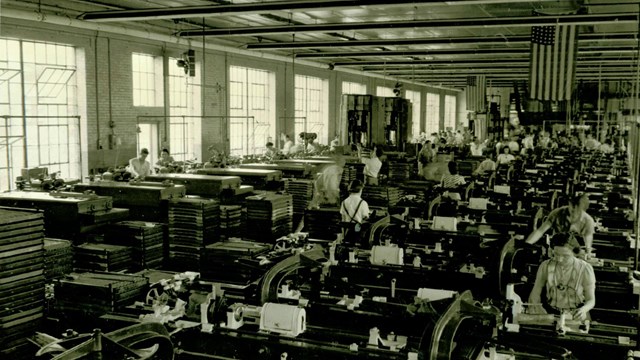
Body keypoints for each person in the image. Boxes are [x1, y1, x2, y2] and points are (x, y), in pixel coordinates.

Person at [527, 233, 596, 321]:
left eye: (565, 256)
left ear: (574, 253)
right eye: (556, 254)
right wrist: (536, 307)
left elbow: (591, 300)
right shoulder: (545, 266)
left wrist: (583, 310)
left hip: (576, 315)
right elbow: (536, 291)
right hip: (550, 313)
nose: (559, 259)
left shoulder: (585, 269)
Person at [525, 194, 596, 254]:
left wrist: (587, 251)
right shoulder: (557, 213)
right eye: (572, 206)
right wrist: (527, 244)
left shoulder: (588, 221)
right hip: (556, 249)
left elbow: (588, 241)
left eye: (577, 207)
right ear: (569, 203)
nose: (574, 209)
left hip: (575, 253)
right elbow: (540, 231)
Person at [340, 180, 370, 244]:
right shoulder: (363, 203)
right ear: (360, 190)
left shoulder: (344, 202)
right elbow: (366, 218)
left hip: (347, 233)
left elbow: (343, 220)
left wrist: (343, 236)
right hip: (358, 233)